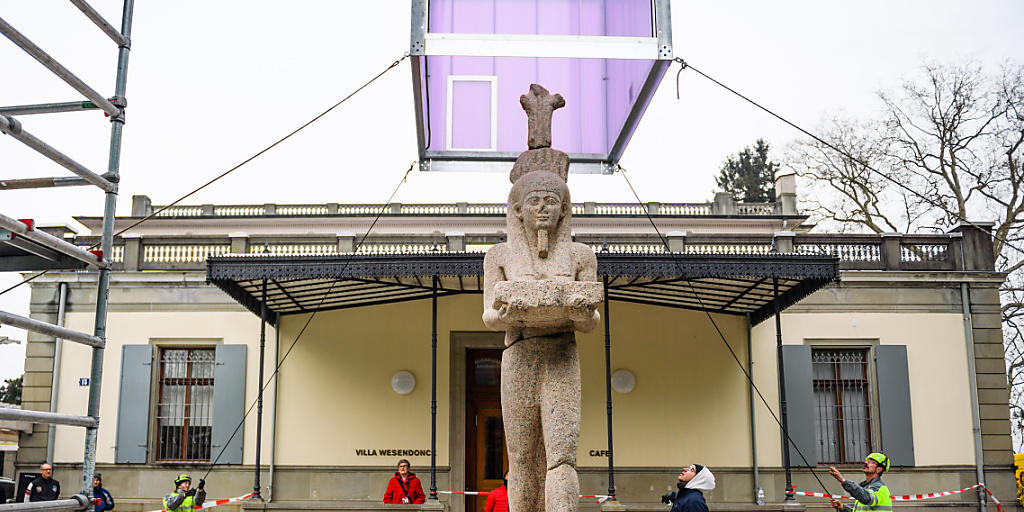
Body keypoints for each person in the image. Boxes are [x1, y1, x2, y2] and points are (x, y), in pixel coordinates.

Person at [828, 452, 892, 512]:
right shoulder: (865, 488)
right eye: (867, 461)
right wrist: (842, 507)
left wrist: (843, 480)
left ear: (879, 469)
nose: (866, 462)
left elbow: (865, 497)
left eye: (871, 462)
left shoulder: (880, 488)